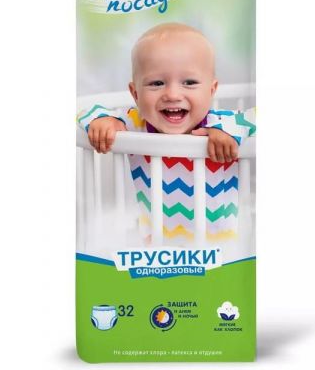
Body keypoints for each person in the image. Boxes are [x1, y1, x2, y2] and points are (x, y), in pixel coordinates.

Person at [76, 22, 256, 242]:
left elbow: (255, 116)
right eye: (157, 83)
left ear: (212, 90)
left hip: (222, 247)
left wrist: (229, 130)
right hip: (156, 246)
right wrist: (104, 121)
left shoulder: (221, 123)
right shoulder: (136, 123)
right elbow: (85, 113)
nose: (172, 94)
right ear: (135, 93)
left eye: (189, 82)